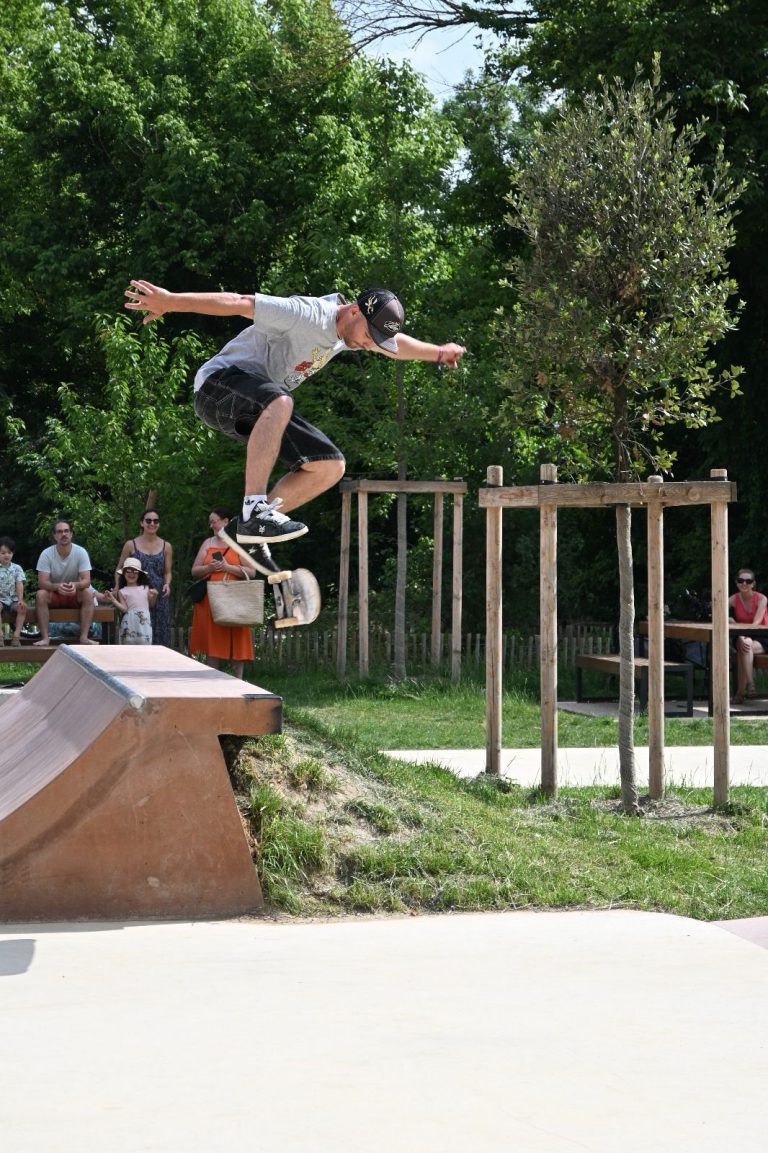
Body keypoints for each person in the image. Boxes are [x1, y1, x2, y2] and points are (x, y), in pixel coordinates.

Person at [124, 280, 466, 567]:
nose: (367, 344)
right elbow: (239, 302)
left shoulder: (347, 333)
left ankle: (249, 529)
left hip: (256, 406)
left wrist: (436, 352)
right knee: (280, 400)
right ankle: (254, 509)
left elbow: (396, 346)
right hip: (217, 387)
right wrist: (170, 302)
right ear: (355, 310)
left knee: (329, 466)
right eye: (367, 335)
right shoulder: (306, 314)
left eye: (374, 342)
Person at [188, 509, 257, 679]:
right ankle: (213, 678)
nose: (211, 525)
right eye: (210, 522)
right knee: (214, 638)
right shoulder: (207, 543)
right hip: (211, 600)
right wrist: (209, 568)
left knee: (237, 635)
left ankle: (238, 679)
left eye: (214, 521)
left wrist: (228, 568)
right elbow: (195, 571)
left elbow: (252, 572)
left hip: (235, 599)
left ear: (226, 521)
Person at [115, 510, 173, 646]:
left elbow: (167, 572)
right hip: (135, 595)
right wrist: (117, 587)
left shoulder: (167, 546)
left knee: (160, 635)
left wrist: (167, 584)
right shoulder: (131, 544)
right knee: (135, 634)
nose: (152, 523)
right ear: (142, 523)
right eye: (148, 520)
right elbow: (119, 570)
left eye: (155, 521)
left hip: (158, 594)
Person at [34, 519, 96, 646]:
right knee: (40, 594)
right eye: (60, 531)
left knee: (88, 593)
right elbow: (42, 582)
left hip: (74, 593)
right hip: (54, 594)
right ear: (55, 535)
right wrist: (58, 587)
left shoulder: (81, 552)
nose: (64, 534)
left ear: (71, 534)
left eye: (66, 531)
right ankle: (45, 637)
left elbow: (86, 580)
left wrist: (75, 585)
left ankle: (84, 637)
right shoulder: (46, 554)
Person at [728, 568, 768, 703]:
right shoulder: (733, 599)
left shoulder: (762, 599)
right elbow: (718, 611)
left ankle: (740, 693)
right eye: (740, 580)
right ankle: (750, 685)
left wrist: (735, 626)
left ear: (753, 583)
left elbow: (756, 624)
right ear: (736, 583)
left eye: (748, 581)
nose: (744, 583)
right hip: (742, 636)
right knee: (745, 644)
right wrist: (729, 620)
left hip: (762, 636)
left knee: (744, 647)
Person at [104, 557, 158, 645]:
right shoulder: (122, 591)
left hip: (144, 624)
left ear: (139, 574)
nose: (131, 574)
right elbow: (124, 609)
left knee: (145, 645)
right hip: (129, 623)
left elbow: (151, 605)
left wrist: (155, 596)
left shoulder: (146, 588)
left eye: (135, 571)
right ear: (124, 573)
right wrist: (113, 600)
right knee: (128, 645)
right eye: (128, 571)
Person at [0, 536, 28, 646]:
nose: (6, 555)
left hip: (13, 600)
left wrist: (20, 600)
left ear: (13, 553)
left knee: (22, 607)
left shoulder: (17, 568)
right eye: (3, 553)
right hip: (1, 600)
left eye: (9, 552)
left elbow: (19, 583)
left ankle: (16, 636)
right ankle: (0, 636)